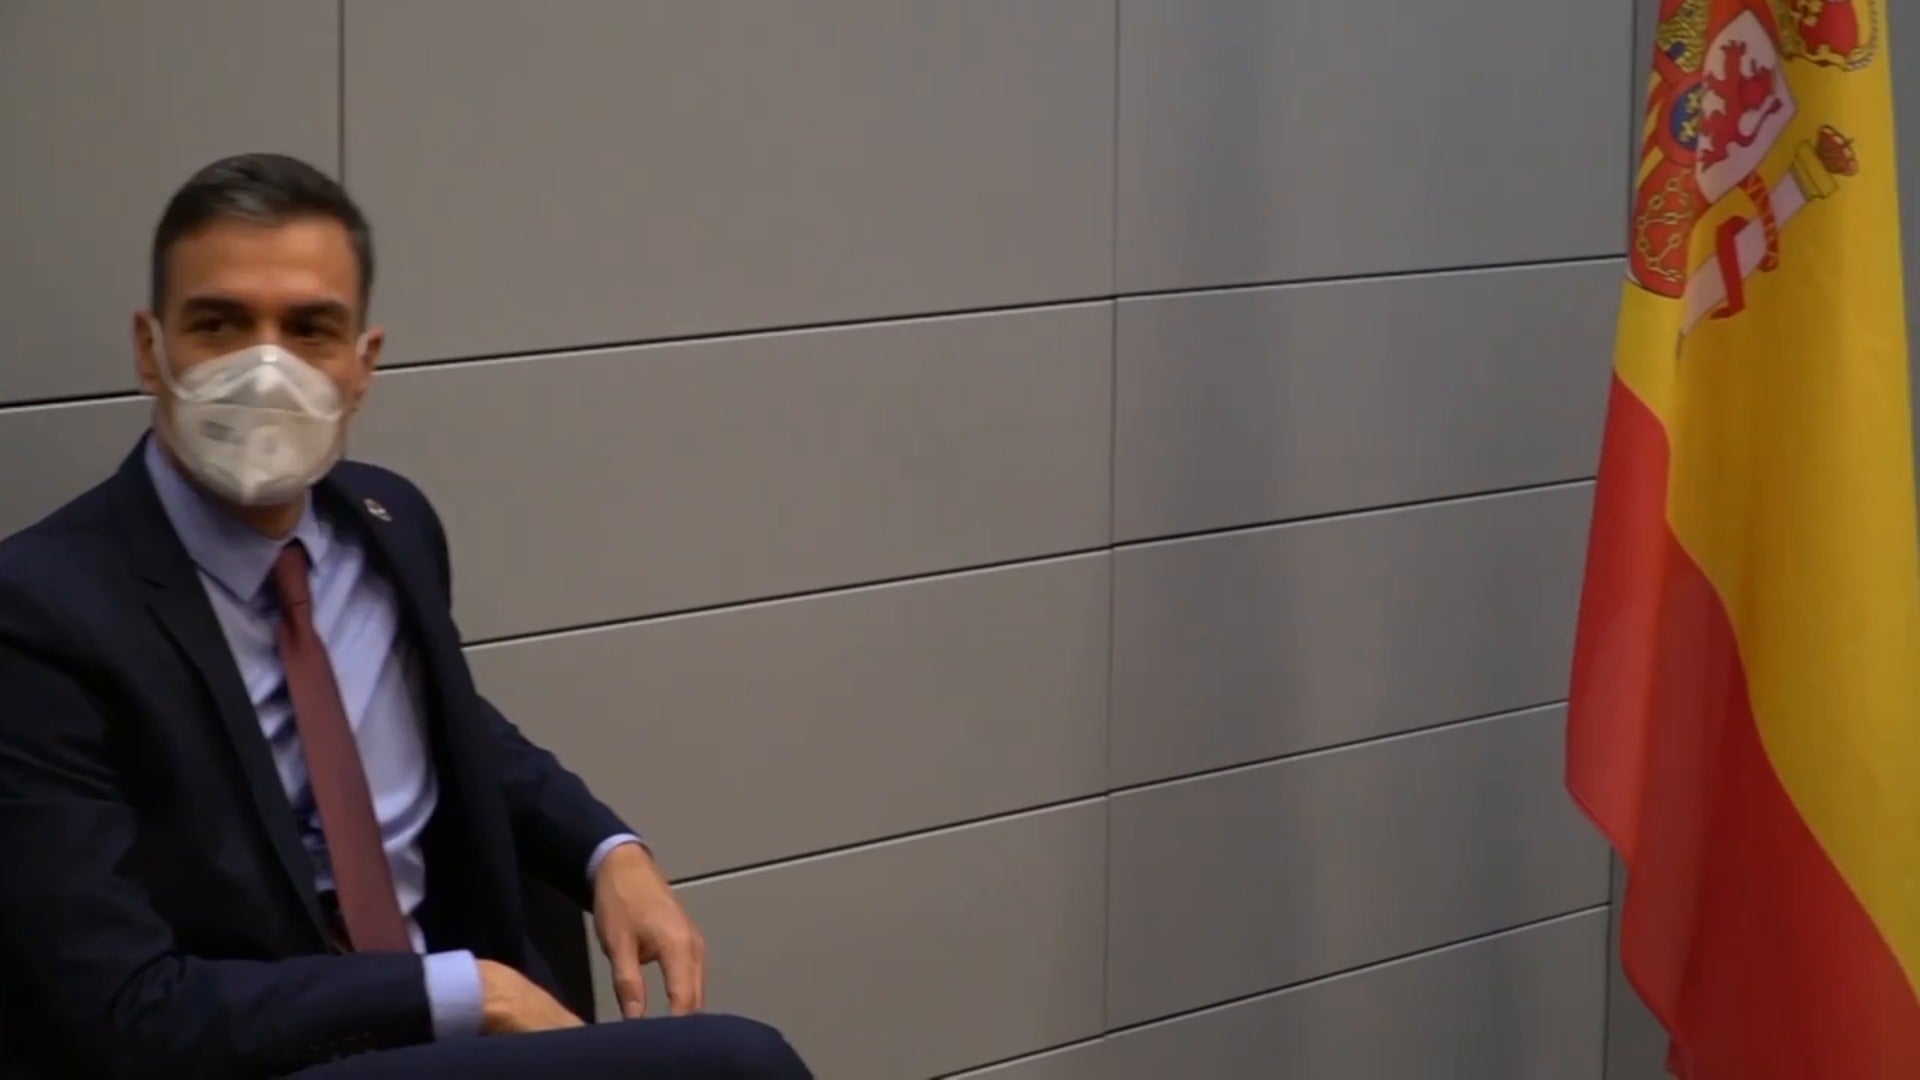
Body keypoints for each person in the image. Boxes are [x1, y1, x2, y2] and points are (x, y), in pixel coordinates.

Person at [0, 153, 811, 1079]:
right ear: (151, 350)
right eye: (219, 324)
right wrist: (472, 992)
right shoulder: (41, 610)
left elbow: (454, 727)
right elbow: (122, 1008)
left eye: (310, 330)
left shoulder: (389, 523)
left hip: (449, 1031)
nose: (265, 369)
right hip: (254, 1058)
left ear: (363, 365)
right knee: (739, 1063)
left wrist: (607, 851)